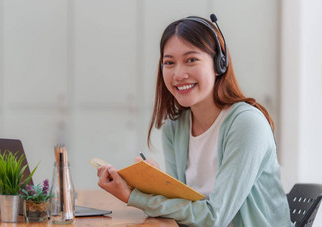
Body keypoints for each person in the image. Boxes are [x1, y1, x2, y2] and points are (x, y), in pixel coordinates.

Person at [97, 14, 293, 227]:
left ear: (219, 64)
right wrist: (155, 185)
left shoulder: (247, 124)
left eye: (191, 60)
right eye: (169, 63)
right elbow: (184, 209)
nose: (178, 74)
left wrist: (134, 197)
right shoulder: (175, 128)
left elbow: (214, 217)